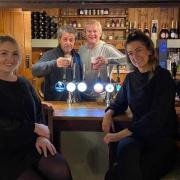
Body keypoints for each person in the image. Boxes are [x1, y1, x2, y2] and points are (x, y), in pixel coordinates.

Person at [102, 30, 177, 180]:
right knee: (125, 152)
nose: (134, 56)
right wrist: (108, 114)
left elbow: (156, 117)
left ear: (149, 50)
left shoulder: (163, 77)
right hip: (137, 136)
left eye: (138, 50)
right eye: (130, 53)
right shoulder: (130, 79)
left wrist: (119, 135)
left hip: (161, 139)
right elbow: (119, 102)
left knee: (114, 176)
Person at [0, 35, 73, 180]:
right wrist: (33, 128)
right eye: (3, 53)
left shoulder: (24, 83)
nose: (10, 59)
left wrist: (42, 136)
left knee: (60, 170)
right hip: (5, 151)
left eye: (15, 54)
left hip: (31, 145)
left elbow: (37, 110)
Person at [79, 19, 127, 100]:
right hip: (83, 94)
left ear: (100, 33)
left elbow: (127, 60)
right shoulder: (82, 49)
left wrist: (108, 60)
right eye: (89, 31)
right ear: (85, 33)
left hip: (103, 96)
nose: (92, 34)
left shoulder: (107, 48)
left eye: (95, 31)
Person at [32, 25, 82, 101]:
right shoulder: (49, 55)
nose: (68, 43)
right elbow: (34, 70)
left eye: (71, 40)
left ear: (74, 41)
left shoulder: (77, 56)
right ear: (59, 40)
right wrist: (55, 63)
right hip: (55, 103)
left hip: (75, 103)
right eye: (65, 39)